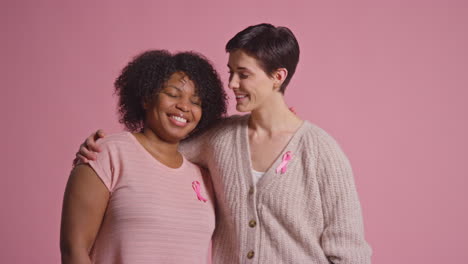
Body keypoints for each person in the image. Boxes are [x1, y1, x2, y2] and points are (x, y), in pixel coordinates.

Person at [76, 23, 372, 263]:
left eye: (243, 75)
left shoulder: (322, 152)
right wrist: (103, 150)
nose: (231, 84)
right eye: (230, 71)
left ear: (277, 77)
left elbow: (351, 254)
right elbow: (155, 148)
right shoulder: (218, 139)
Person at [60, 50, 227, 264]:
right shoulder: (107, 154)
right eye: (173, 94)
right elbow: (74, 250)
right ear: (147, 98)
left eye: (196, 102)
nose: (184, 107)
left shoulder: (203, 176)